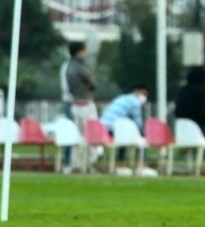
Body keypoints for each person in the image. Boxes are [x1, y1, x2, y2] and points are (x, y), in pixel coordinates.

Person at [100, 85, 150, 175]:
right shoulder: (135, 102)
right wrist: (143, 133)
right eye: (143, 94)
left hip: (102, 127)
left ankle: (121, 164)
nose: (144, 97)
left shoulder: (122, 98)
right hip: (112, 126)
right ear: (137, 92)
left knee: (124, 138)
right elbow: (137, 121)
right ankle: (140, 165)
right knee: (141, 139)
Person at [65, 42, 97, 170]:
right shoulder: (81, 67)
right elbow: (92, 83)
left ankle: (77, 163)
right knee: (91, 134)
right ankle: (89, 163)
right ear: (79, 52)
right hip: (85, 104)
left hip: (75, 104)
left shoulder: (67, 67)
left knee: (78, 136)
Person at [58, 47, 74, 173]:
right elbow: (67, 87)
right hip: (70, 102)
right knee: (69, 134)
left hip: (73, 102)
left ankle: (74, 161)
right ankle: (68, 162)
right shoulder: (68, 67)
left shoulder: (69, 66)